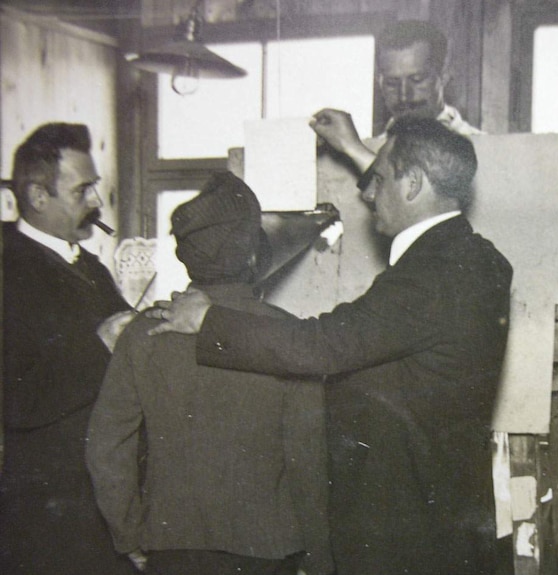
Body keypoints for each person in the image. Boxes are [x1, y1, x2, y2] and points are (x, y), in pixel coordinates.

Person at [146, 117, 513, 575]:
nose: (367, 193)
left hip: (407, 527)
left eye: (378, 179)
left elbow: (321, 344)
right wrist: (357, 150)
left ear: (414, 184)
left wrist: (208, 320)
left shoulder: (430, 276)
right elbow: (410, 182)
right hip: (439, 506)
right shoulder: (477, 258)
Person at [85, 172, 333, 575]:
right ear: (254, 254)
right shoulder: (284, 335)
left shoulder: (144, 334)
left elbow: (107, 445)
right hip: (268, 549)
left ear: (185, 254)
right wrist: (319, 556)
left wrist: (128, 533)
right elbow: (308, 458)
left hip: (170, 544)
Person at [1, 123, 136, 574]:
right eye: (83, 190)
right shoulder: (7, 269)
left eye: (96, 187)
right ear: (39, 197)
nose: (97, 202)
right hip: (44, 514)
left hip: (101, 497)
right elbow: (14, 399)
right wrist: (101, 344)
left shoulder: (92, 268)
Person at [309, 19, 481, 179]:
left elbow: (413, 199)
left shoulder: (485, 148)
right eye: (392, 83)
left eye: (417, 79)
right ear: (379, 82)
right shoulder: (368, 150)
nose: (404, 95)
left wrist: (354, 148)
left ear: (443, 77)